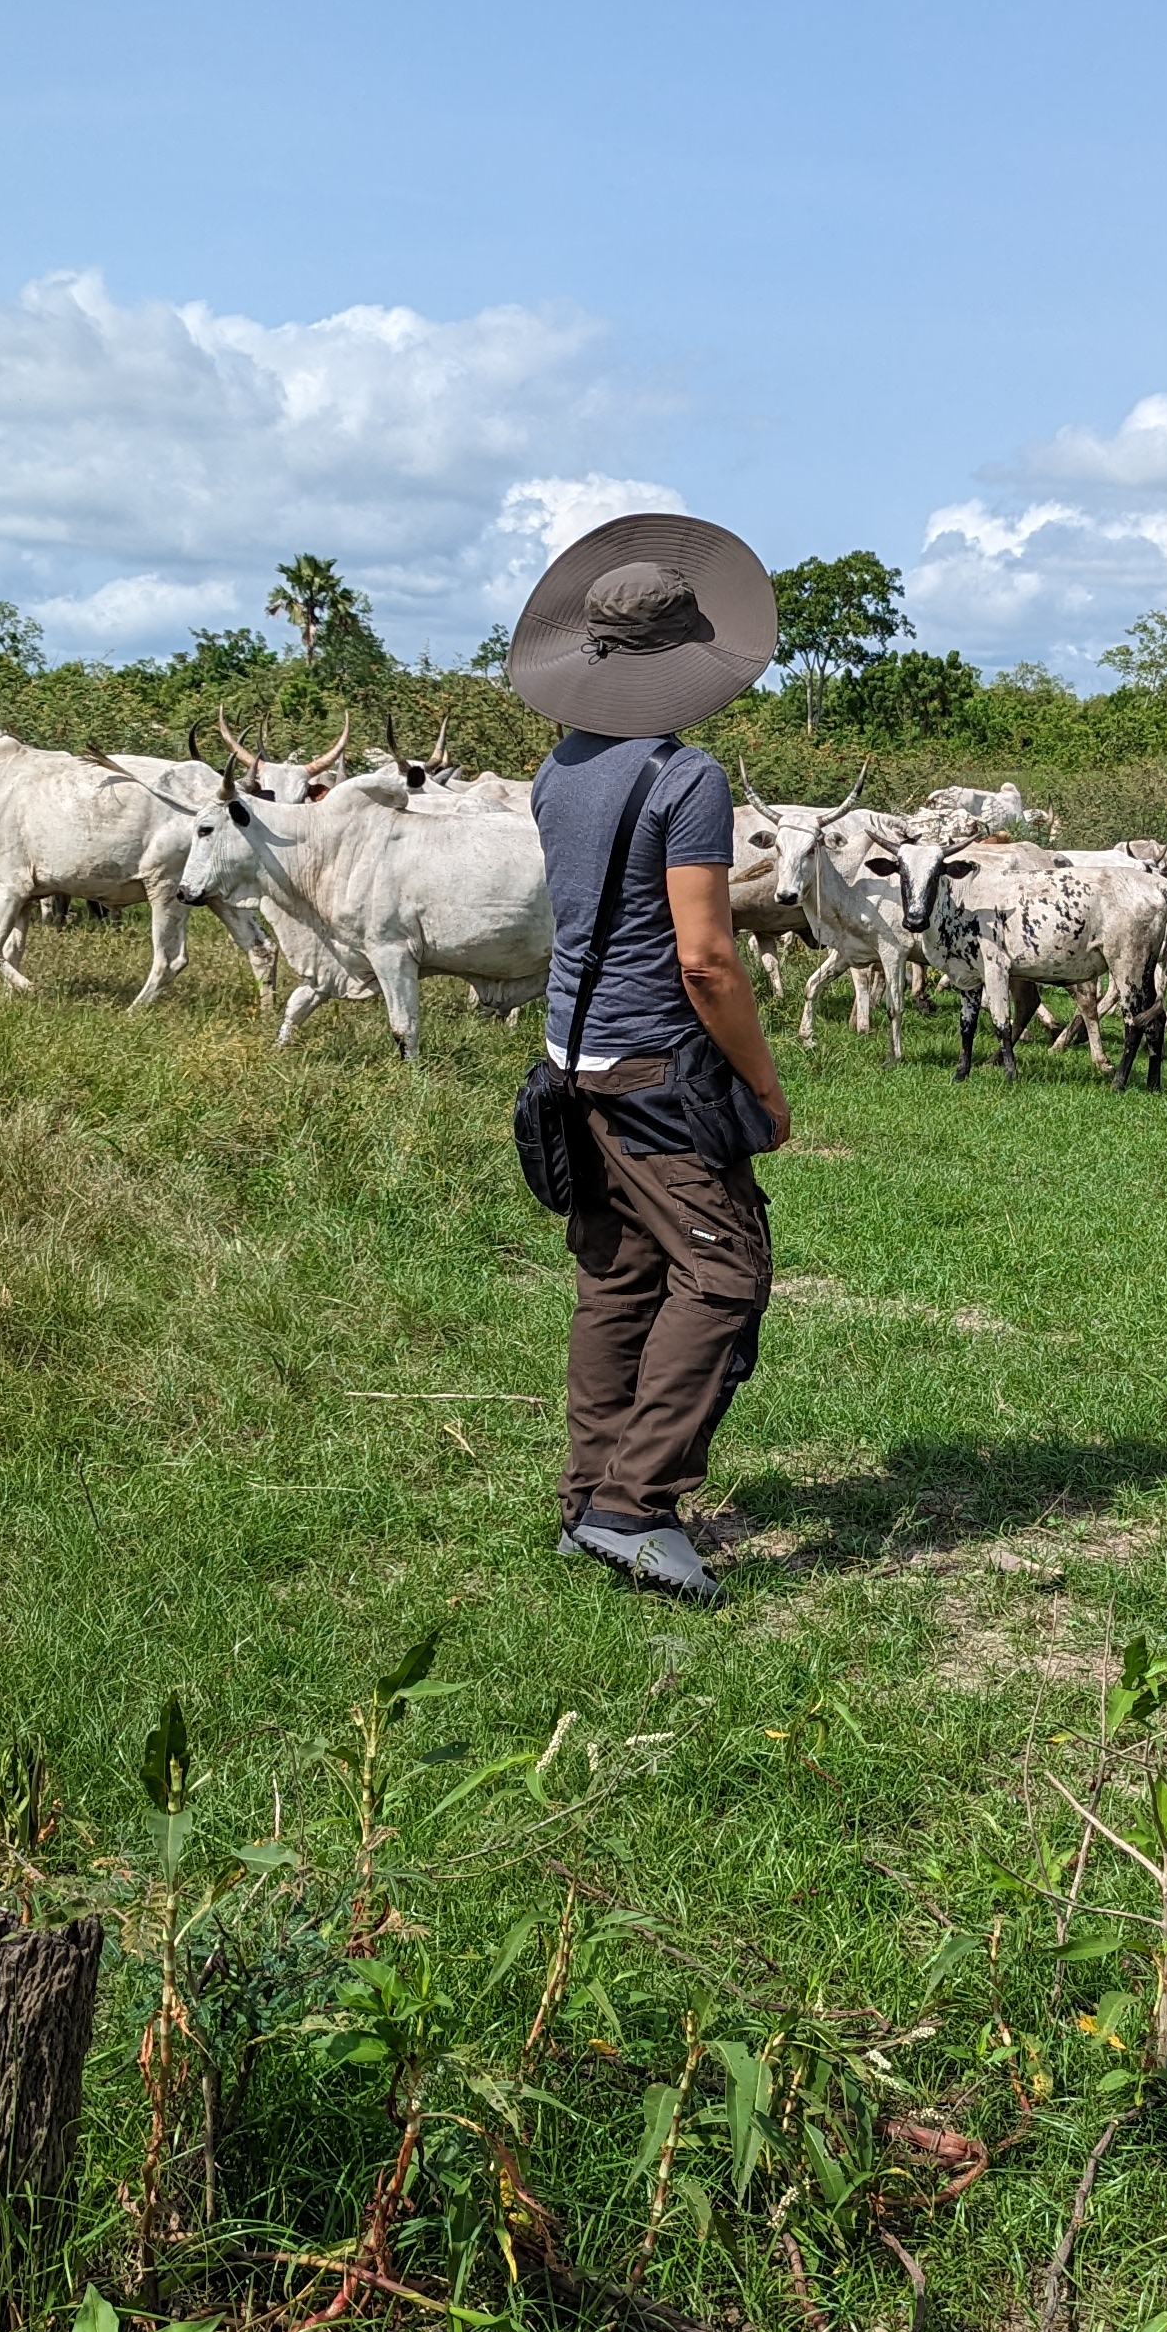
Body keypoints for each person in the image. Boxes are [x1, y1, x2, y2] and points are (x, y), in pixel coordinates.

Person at [506, 514, 797, 1609]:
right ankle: (637, 1504)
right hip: (654, 1072)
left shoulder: (559, 769)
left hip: (569, 1058)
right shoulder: (689, 781)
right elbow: (708, 959)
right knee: (724, 1271)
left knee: (618, 1276)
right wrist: (763, 1089)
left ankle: (587, 1498)